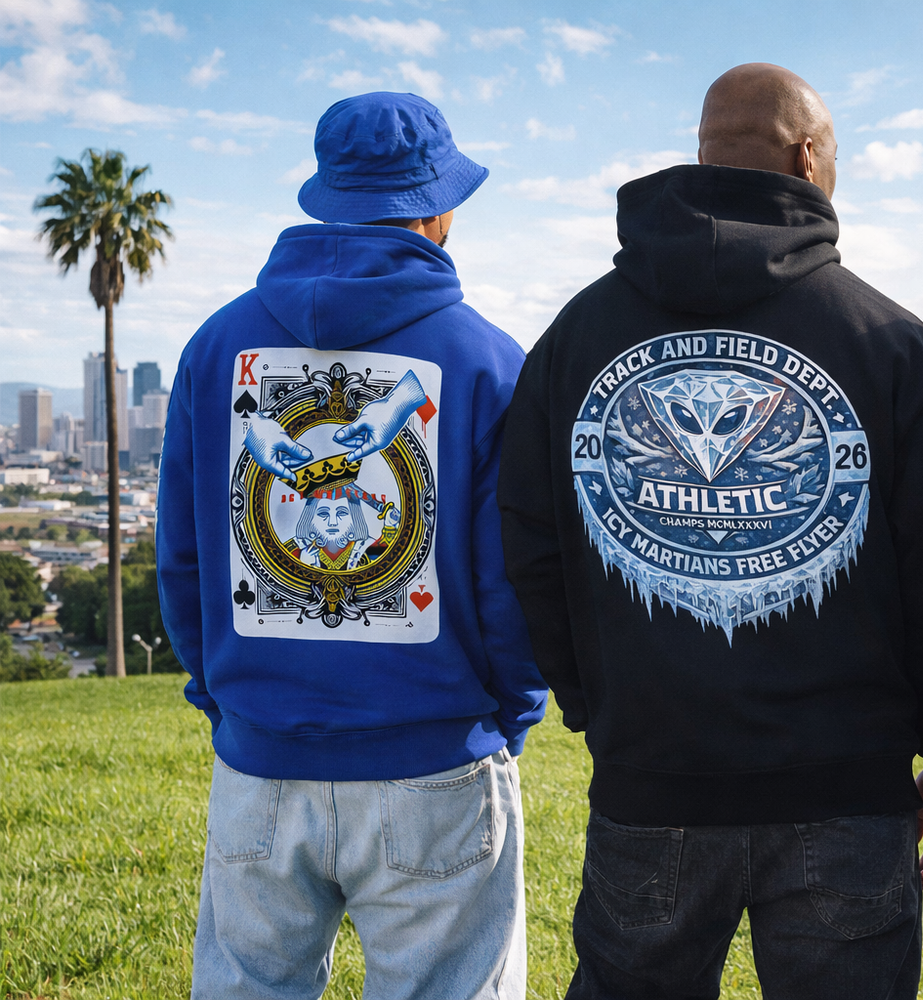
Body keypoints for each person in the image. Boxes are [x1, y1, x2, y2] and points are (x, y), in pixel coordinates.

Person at [497, 63, 923, 999]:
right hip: (847, 790)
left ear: (706, 152)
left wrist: (599, 707)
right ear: (808, 157)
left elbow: (531, 541)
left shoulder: (577, 336)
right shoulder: (889, 340)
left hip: (652, 778)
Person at [158, 92, 547, 999]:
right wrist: (506, 715)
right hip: (438, 762)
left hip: (258, 764)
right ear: (438, 210)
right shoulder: (487, 360)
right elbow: (513, 582)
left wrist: (227, 700)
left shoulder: (215, 348)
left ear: (326, 195)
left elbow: (182, 558)